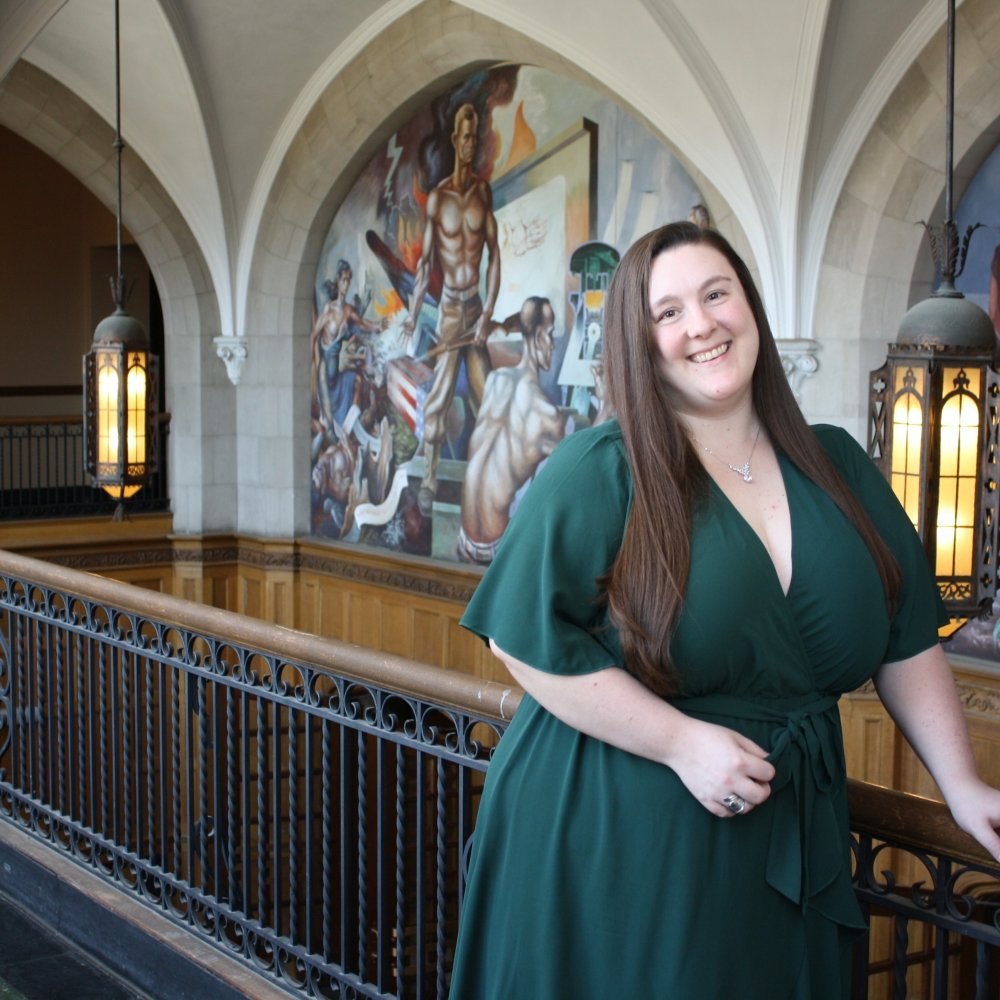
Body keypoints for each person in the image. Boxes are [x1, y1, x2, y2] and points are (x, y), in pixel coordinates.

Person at [448, 221, 1000, 999]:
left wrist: (962, 784)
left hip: (787, 824)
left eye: (716, 295)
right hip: (617, 827)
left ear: (751, 309)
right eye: (667, 312)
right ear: (641, 344)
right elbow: (520, 637)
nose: (700, 324)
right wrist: (680, 743)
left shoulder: (837, 465)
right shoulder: (602, 469)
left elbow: (905, 640)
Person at [403, 102, 501, 515]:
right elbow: (425, 262)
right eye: (462, 137)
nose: (468, 145)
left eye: (473, 138)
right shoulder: (438, 198)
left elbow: (495, 255)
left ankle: (490, 482)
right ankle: (428, 478)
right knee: (439, 397)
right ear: (453, 139)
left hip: (475, 309)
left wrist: (488, 313)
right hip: (448, 312)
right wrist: (411, 314)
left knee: (488, 394)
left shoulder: (483, 193)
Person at [457, 296, 567, 564]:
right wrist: (605, 405)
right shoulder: (547, 417)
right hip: (495, 551)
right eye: (551, 335)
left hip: (463, 539)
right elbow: (582, 471)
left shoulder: (495, 381)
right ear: (540, 336)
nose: (552, 343)